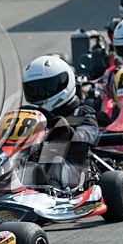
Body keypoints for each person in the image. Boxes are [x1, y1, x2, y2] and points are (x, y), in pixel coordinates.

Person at [21, 54, 100, 189]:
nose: (40, 94)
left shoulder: (81, 114)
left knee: (55, 161)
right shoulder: (29, 118)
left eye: (46, 88)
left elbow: (86, 139)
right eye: (34, 89)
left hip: (72, 172)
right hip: (31, 170)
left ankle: (51, 192)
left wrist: (64, 130)